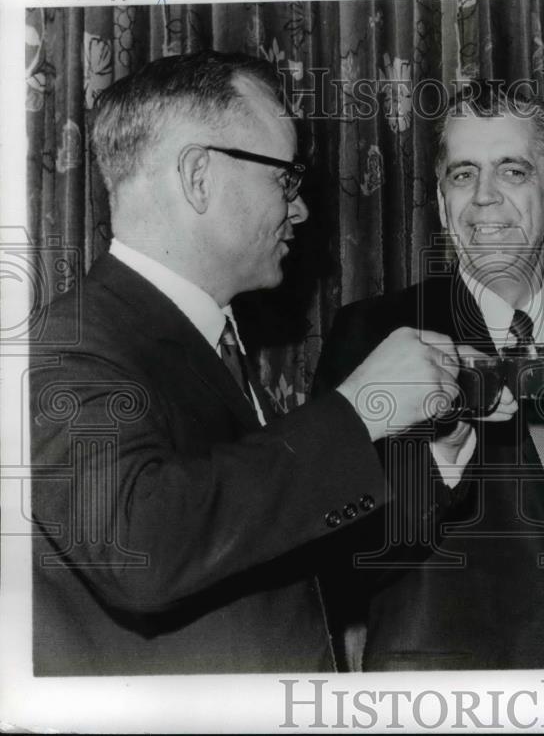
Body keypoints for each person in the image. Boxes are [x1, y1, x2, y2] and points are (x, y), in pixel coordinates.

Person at [30, 51, 465, 675]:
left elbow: (264, 552)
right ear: (199, 175)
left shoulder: (206, 338)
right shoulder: (62, 346)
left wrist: (435, 466)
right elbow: (140, 549)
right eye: (285, 179)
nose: (302, 209)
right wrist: (359, 409)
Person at [313, 84, 544, 670]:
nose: (483, 198)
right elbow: (331, 555)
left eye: (511, 171)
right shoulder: (375, 333)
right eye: (462, 175)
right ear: (440, 203)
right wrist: (439, 458)